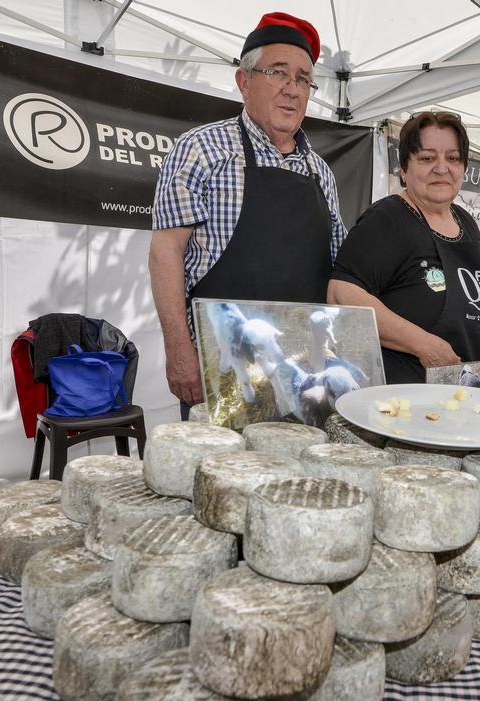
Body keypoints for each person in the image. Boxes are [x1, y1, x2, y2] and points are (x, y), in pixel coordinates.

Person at [148, 12, 346, 409]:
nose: (292, 89)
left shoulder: (320, 172)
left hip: (302, 370)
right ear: (244, 81)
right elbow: (165, 252)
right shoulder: (201, 150)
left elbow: (340, 269)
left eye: (303, 79)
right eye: (278, 73)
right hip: (221, 364)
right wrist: (178, 348)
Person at [326, 112, 480, 383]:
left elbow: (473, 303)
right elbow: (341, 293)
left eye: (453, 158)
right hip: (403, 404)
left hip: (462, 399)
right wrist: (421, 344)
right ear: (403, 168)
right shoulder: (388, 219)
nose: (441, 168)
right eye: (427, 158)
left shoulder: (467, 223)